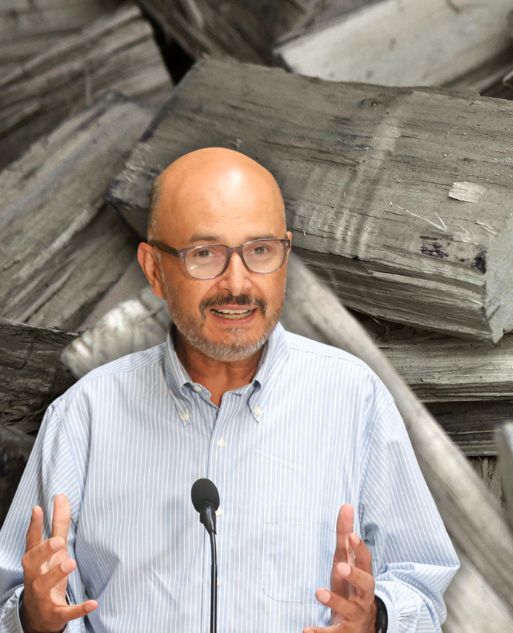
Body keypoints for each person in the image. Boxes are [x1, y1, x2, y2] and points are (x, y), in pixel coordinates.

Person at [0, 147, 460, 632]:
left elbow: (422, 586)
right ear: (154, 269)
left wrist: (374, 619)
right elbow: (12, 601)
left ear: (285, 255)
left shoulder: (353, 398)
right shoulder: (85, 415)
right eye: (205, 255)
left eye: (260, 251)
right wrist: (35, 618)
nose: (237, 283)